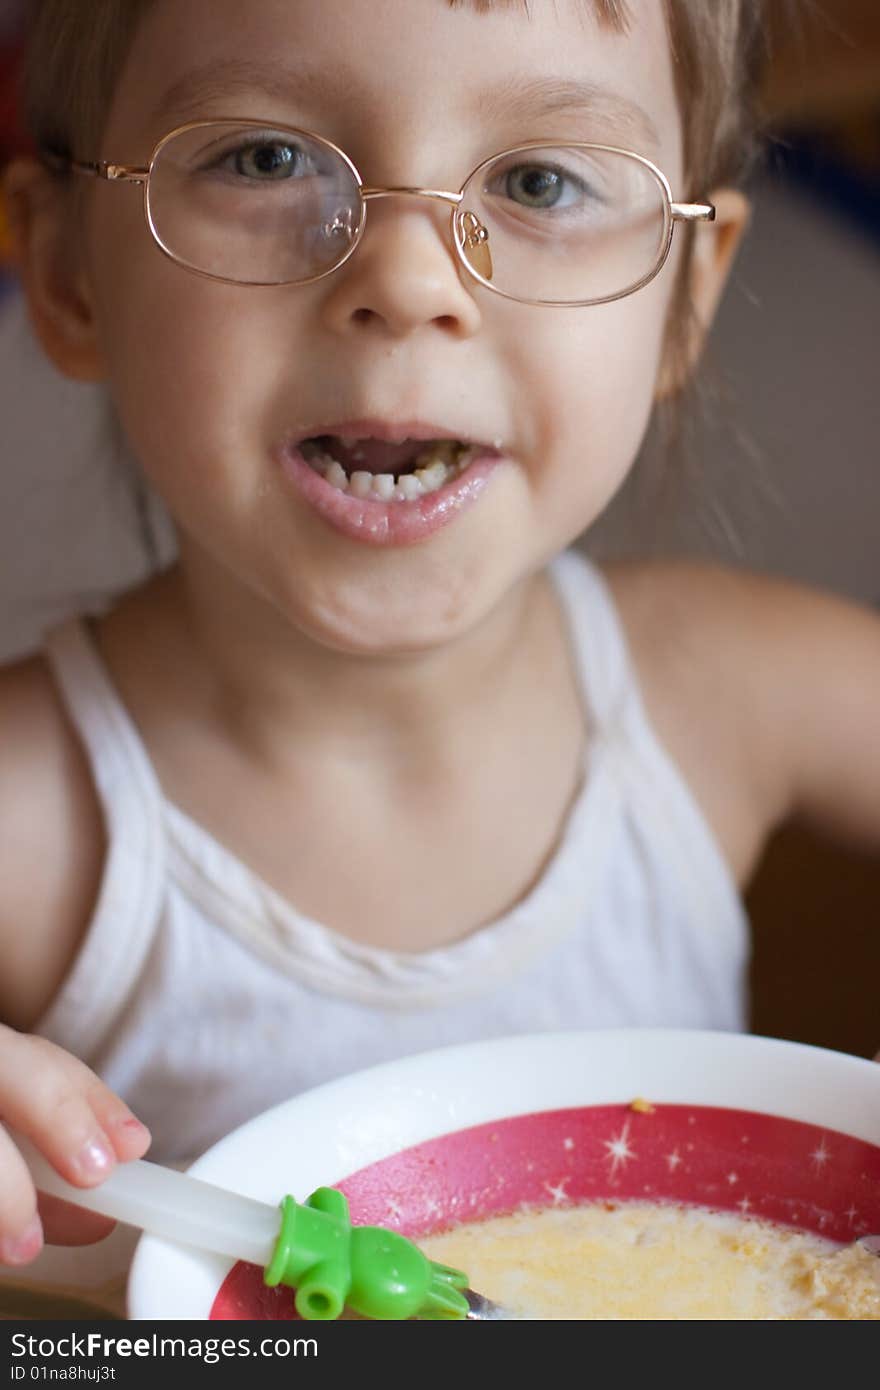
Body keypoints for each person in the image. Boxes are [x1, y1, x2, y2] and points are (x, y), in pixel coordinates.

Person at [1, 0, 878, 1274]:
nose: (408, 283)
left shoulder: (730, 685)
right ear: (72, 274)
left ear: (686, 293)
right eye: (265, 158)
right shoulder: (38, 813)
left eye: (538, 180)